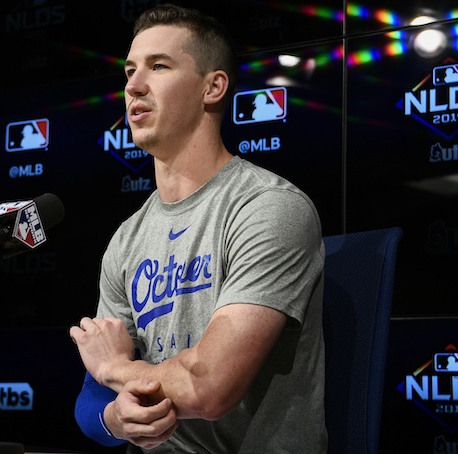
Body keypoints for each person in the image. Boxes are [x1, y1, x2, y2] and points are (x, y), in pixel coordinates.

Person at [69, 4, 327, 453]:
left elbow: (209, 390)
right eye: (130, 71)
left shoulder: (267, 208)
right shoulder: (127, 239)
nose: (133, 86)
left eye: (159, 66)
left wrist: (116, 370)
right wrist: (116, 418)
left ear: (213, 87)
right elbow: (92, 396)